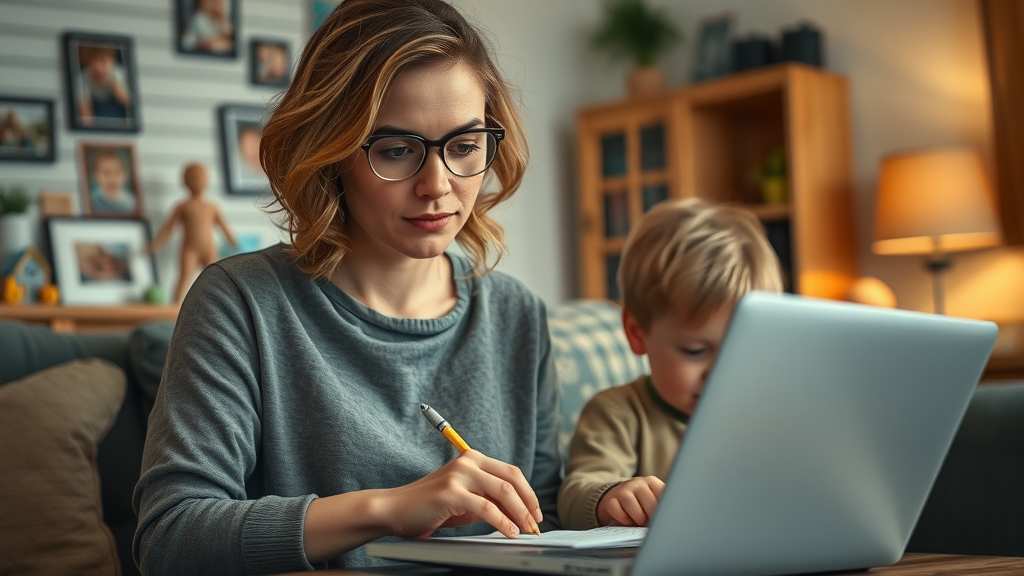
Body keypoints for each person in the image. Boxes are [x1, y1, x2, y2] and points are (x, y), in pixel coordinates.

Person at [133, 0, 561, 574]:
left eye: (464, 146)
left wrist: (610, 502)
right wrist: (389, 509)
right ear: (331, 153)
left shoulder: (518, 315)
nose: (438, 185)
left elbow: (547, 516)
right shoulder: (240, 302)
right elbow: (171, 538)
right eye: (395, 150)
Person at [557, 198, 785, 530]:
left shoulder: (767, 413)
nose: (721, 373)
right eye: (695, 351)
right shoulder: (617, 412)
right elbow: (575, 496)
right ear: (637, 333)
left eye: (742, 350)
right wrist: (612, 496)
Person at [148, 163, 238, 303]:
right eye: (192, 178)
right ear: (185, 182)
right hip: (189, 250)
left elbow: (224, 228)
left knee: (216, 278)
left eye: (200, 178)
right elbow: (168, 229)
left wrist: (234, 242)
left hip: (209, 249)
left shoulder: (211, 207)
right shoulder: (182, 206)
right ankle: (174, 308)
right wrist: (155, 244)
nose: (197, 181)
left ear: (206, 180)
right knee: (184, 277)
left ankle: (217, 306)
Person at [77, 45, 131, 125]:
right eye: (94, 61)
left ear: (112, 61)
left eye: (103, 61)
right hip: (97, 116)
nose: (99, 67)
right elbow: (85, 112)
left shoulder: (117, 72)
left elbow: (126, 100)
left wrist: (113, 82)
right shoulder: (83, 78)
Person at [88, 149, 137, 215]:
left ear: (125, 175)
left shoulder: (131, 201)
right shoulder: (92, 200)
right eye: (106, 173)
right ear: (95, 175)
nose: (112, 179)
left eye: (117, 172)